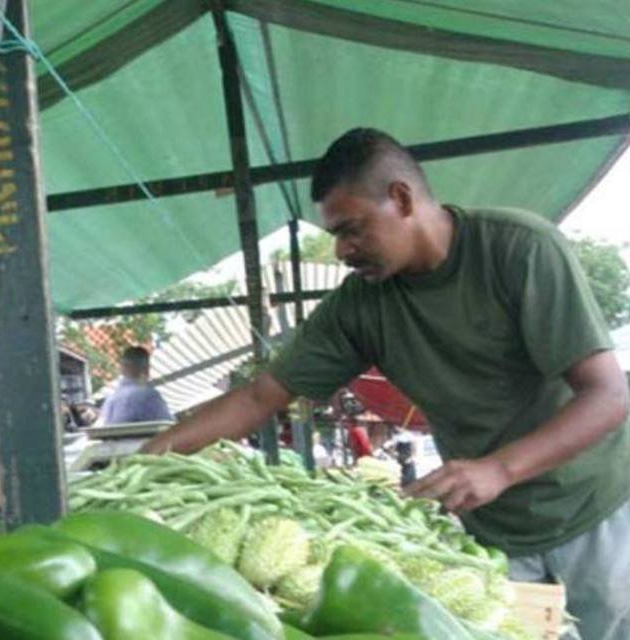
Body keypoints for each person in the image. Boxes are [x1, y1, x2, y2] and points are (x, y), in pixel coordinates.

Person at [142, 128, 630, 639]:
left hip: (595, 510)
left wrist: (498, 469)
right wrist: (145, 459)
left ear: (401, 198)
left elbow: (608, 395)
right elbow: (262, 395)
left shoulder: (518, 249)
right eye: (335, 235)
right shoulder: (361, 304)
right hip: (495, 534)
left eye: (352, 230)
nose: (342, 251)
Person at [99, 346, 173, 425]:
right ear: (146, 369)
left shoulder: (110, 400)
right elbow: (170, 427)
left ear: (122, 369)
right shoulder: (150, 396)